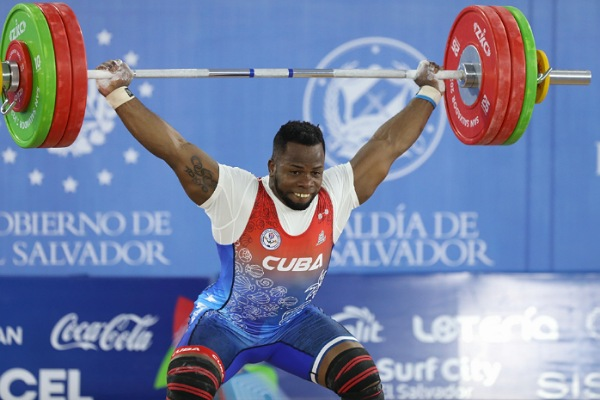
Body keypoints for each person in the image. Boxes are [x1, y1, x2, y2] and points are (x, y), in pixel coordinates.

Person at [96, 59, 445, 400]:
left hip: (295, 325)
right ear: (272, 165)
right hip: (225, 326)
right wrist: (117, 93)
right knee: (189, 382)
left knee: (362, 378)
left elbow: (388, 145)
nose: (306, 183)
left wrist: (430, 89)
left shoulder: (336, 193)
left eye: (315, 172)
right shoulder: (238, 194)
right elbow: (176, 149)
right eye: (295, 171)